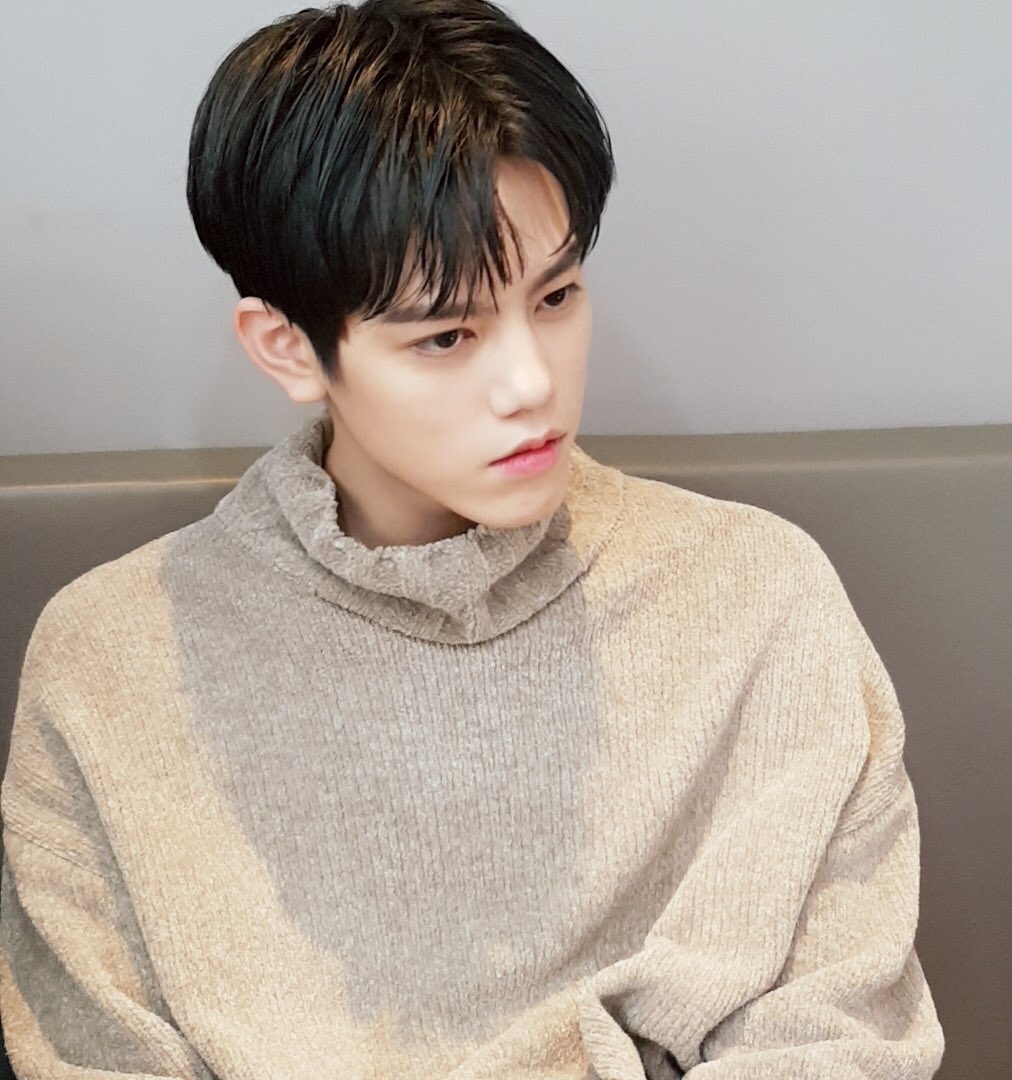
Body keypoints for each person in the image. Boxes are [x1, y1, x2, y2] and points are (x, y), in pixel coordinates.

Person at [0, 1, 945, 1076]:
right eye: (448, 334)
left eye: (558, 294)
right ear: (288, 348)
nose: (533, 382)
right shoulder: (109, 661)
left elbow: (837, 1036)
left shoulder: (757, 598)